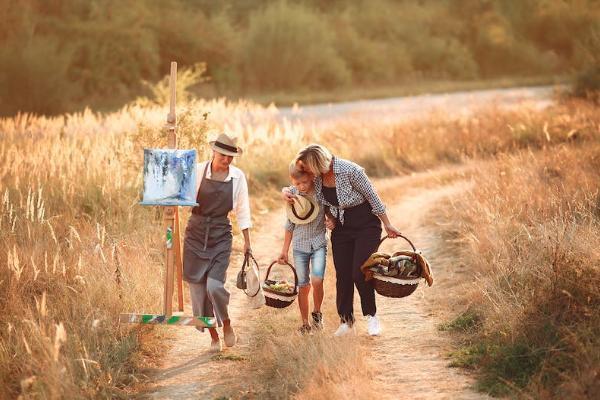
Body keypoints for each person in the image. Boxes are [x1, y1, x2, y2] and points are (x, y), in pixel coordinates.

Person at [283, 144, 401, 336]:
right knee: (343, 275)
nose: (307, 172)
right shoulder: (317, 177)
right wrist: (285, 191)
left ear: (317, 164)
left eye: (308, 168)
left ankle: (371, 317)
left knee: (359, 271)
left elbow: (373, 196)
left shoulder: (350, 171)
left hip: (365, 225)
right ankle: (346, 321)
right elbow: (297, 186)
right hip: (341, 228)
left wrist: (387, 224)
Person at [183, 133, 252, 352]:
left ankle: (227, 323)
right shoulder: (197, 171)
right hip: (195, 234)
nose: (227, 160)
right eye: (223, 155)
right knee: (199, 292)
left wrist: (247, 241)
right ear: (213, 151)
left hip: (221, 235)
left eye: (231, 156)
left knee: (214, 286)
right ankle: (214, 337)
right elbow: (181, 199)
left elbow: (242, 211)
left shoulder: (238, 177)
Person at [278, 162, 333, 334]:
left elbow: (330, 210)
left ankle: (317, 312)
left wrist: (332, 220)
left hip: (318, 243)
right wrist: (284, 250)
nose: (301, 187)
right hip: (300, 246)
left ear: (312, 177)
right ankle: (305, 323)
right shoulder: (293, 195)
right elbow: (289, 225)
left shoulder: (320, 191)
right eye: (297, 184)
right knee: (303, 285)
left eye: (304, 182)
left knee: (317, 280)